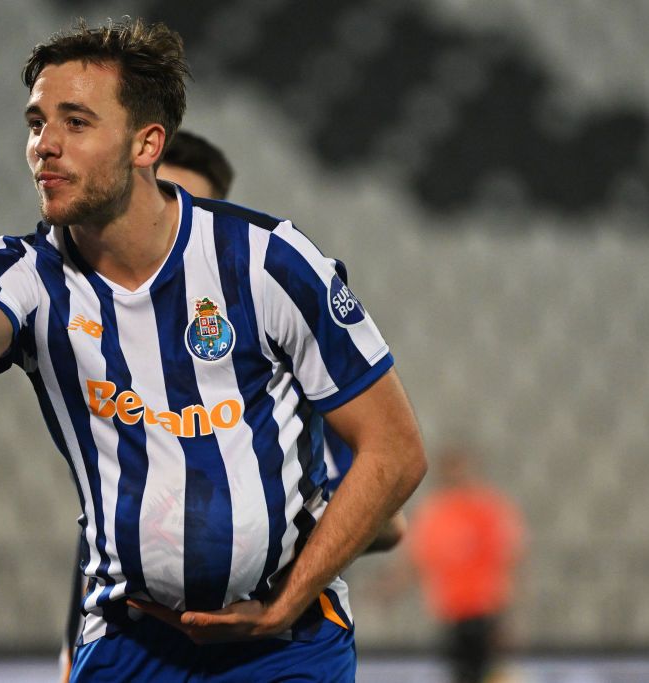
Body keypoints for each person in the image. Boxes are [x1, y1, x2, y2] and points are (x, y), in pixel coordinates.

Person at [0, 17, 426, 682]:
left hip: (287, 645)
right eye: (36, 122)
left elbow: (395, 449)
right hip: (129, 640)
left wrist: (284, 605)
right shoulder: (26, 276)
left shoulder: (266, 261)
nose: (44, 146)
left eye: (76, 122)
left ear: (146, 144)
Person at [57, 130, 408, 680]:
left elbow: (389, 518)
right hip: (132, 636)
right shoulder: (102, 349)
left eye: (181, 206)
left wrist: (272, 531)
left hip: (272, 639)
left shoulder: (283, 376)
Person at [405, 446, 525, 683]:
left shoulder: (486, 509)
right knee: (462, 674)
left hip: (484, 610)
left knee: (486, 673)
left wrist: (509, 615)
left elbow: (509, 561)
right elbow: (417, 561)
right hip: (451, 613)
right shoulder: (435, 513)